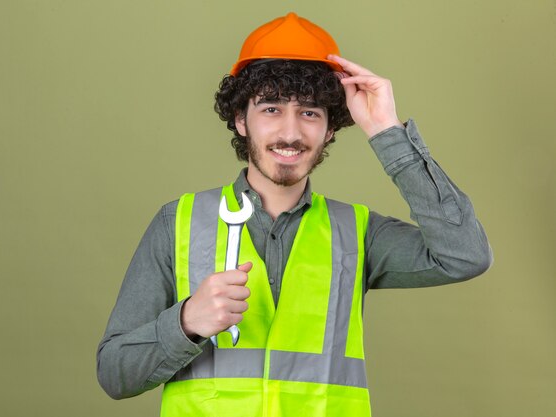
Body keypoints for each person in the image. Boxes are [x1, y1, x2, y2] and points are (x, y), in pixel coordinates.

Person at [96, 12, 492, 417]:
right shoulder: (176, 222)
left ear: (331, 129)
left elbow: (465, 255)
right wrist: (186, 323)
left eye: (310, 113)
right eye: (270, 109)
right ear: (240, 119)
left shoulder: (358, 234)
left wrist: (387, 131)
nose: (290, 133)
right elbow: (115, 374)